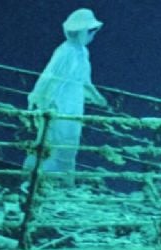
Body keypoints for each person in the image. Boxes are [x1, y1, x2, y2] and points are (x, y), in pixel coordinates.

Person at [23, 8, 108, 186]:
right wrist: (38, 97)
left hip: (74, 104)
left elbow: (85, 81)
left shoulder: (83, 52)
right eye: (90, 31)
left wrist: (98, 98)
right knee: (53, 138)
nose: (92, 35)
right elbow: (48, 76)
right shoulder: (65, 51)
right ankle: (40, 179)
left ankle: (61, 180)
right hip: (58, 101)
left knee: (69, 140)